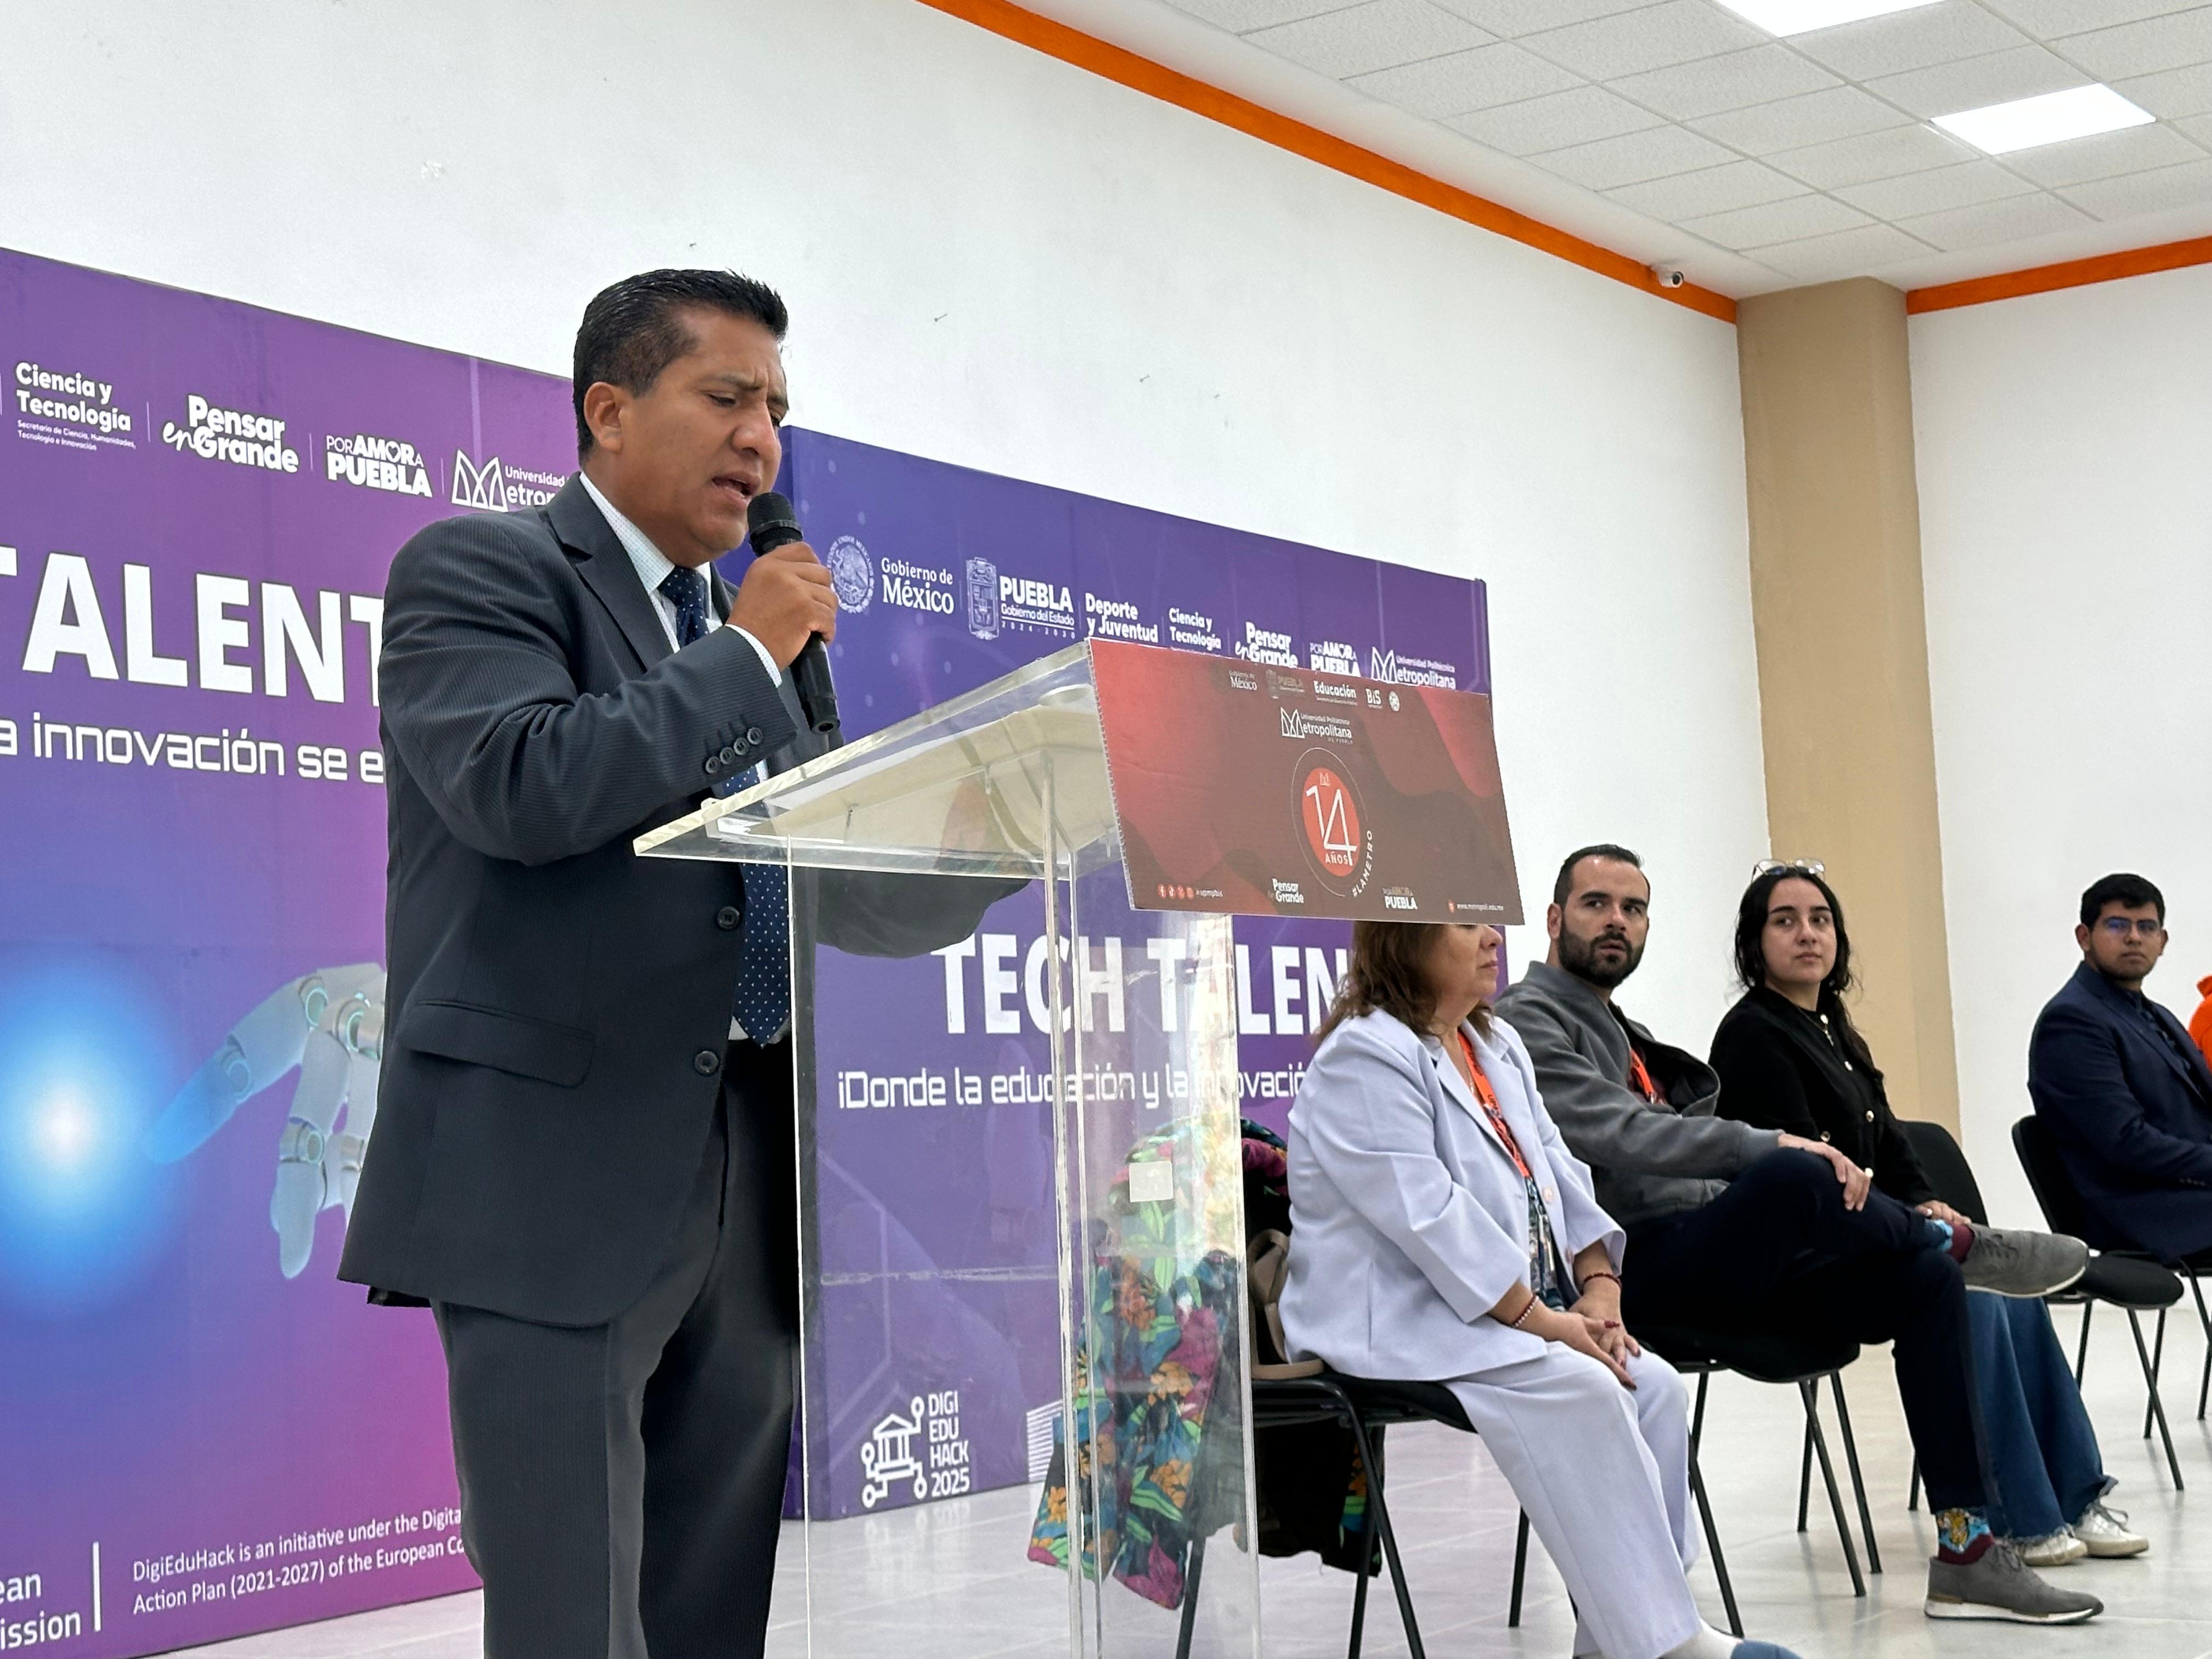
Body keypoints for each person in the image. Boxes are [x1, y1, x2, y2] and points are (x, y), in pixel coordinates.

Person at [338, 269, 1010, 1659]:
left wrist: (993, 835)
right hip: (548, 1181)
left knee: (709, 1609)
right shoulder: (482, 572)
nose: (762, 440)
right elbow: (523, 786)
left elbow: (830, 887)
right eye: (726, 397)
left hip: (744, 1175)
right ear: (609, 409)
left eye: (778, 410)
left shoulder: (751, 638)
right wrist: (752, 653)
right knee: (572, 1618)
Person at [1496, 846, 2101, 1626]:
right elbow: (1620, 1133)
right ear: (1554, 919)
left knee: (1924, 1285)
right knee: (1799, 1169)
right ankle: (1952, 1241)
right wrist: (1773, 1151)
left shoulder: (1625, 1029)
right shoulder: (1528, 1020)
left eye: (1633, 908)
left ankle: (1967, 1550)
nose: (1617, 922)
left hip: (1707, 1253)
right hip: (1628, 1272)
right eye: (1596, 904)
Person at [1281, 918, 1805, 1659]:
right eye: (1467, 924)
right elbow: (1430, 1219)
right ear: (1406, 939)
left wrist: (1599, 1287)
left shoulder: (1493, 1042)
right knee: (1586, 1388)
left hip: (1498, 1312)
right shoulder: (1363, 1055)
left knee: (1652, 1387)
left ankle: (1615, 1639)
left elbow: (1561, 1173)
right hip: (1394, 1318)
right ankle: (1673, 1645)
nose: (1492, 939)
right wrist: (1546, 1322)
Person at [1710, 865, 2147, 1565]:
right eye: (1784, 921)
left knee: (2013, 1289)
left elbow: (1888, 1140)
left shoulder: (1834, 1028)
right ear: (1753, 943)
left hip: (1869, 1239)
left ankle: (2076, 1496)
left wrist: (1923, 1200)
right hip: (1806, 1264)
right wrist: (1918, 1225)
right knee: (1967, 1290)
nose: (1807, 934)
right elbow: (1812, 1176)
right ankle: (2023, 1520)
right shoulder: (1752, 1035)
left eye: (1820, 919)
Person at [2030, 872, 2212, 1261]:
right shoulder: (2072, 1021)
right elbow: (2125, 1142)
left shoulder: (2155, 1014)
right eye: (2117, 925)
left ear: (2163, 941)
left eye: (2146, 927)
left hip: (2187, 1194)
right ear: (2084, 937)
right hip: (2138, 1210)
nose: (2133, 938)